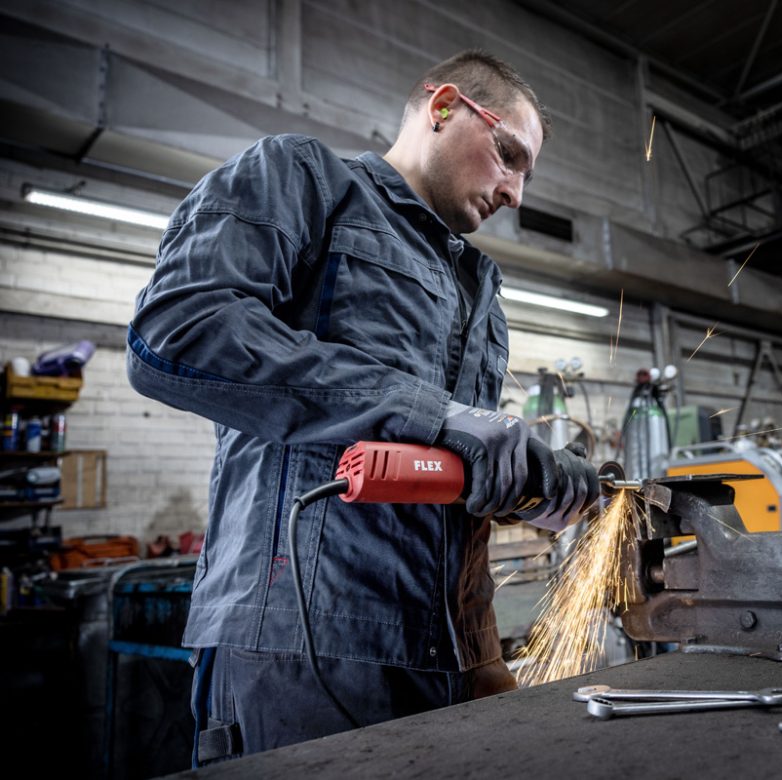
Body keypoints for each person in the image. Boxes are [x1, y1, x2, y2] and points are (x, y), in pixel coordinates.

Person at [126, 49, 599, 764]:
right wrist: (432, 414)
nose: (516, 194)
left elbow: (448, 465)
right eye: (509, 154)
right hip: (303, 651)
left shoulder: (479, 288)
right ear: (443, 108)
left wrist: (530, 479)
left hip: (451, 655)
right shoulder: (304, 179)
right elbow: (177, 333)